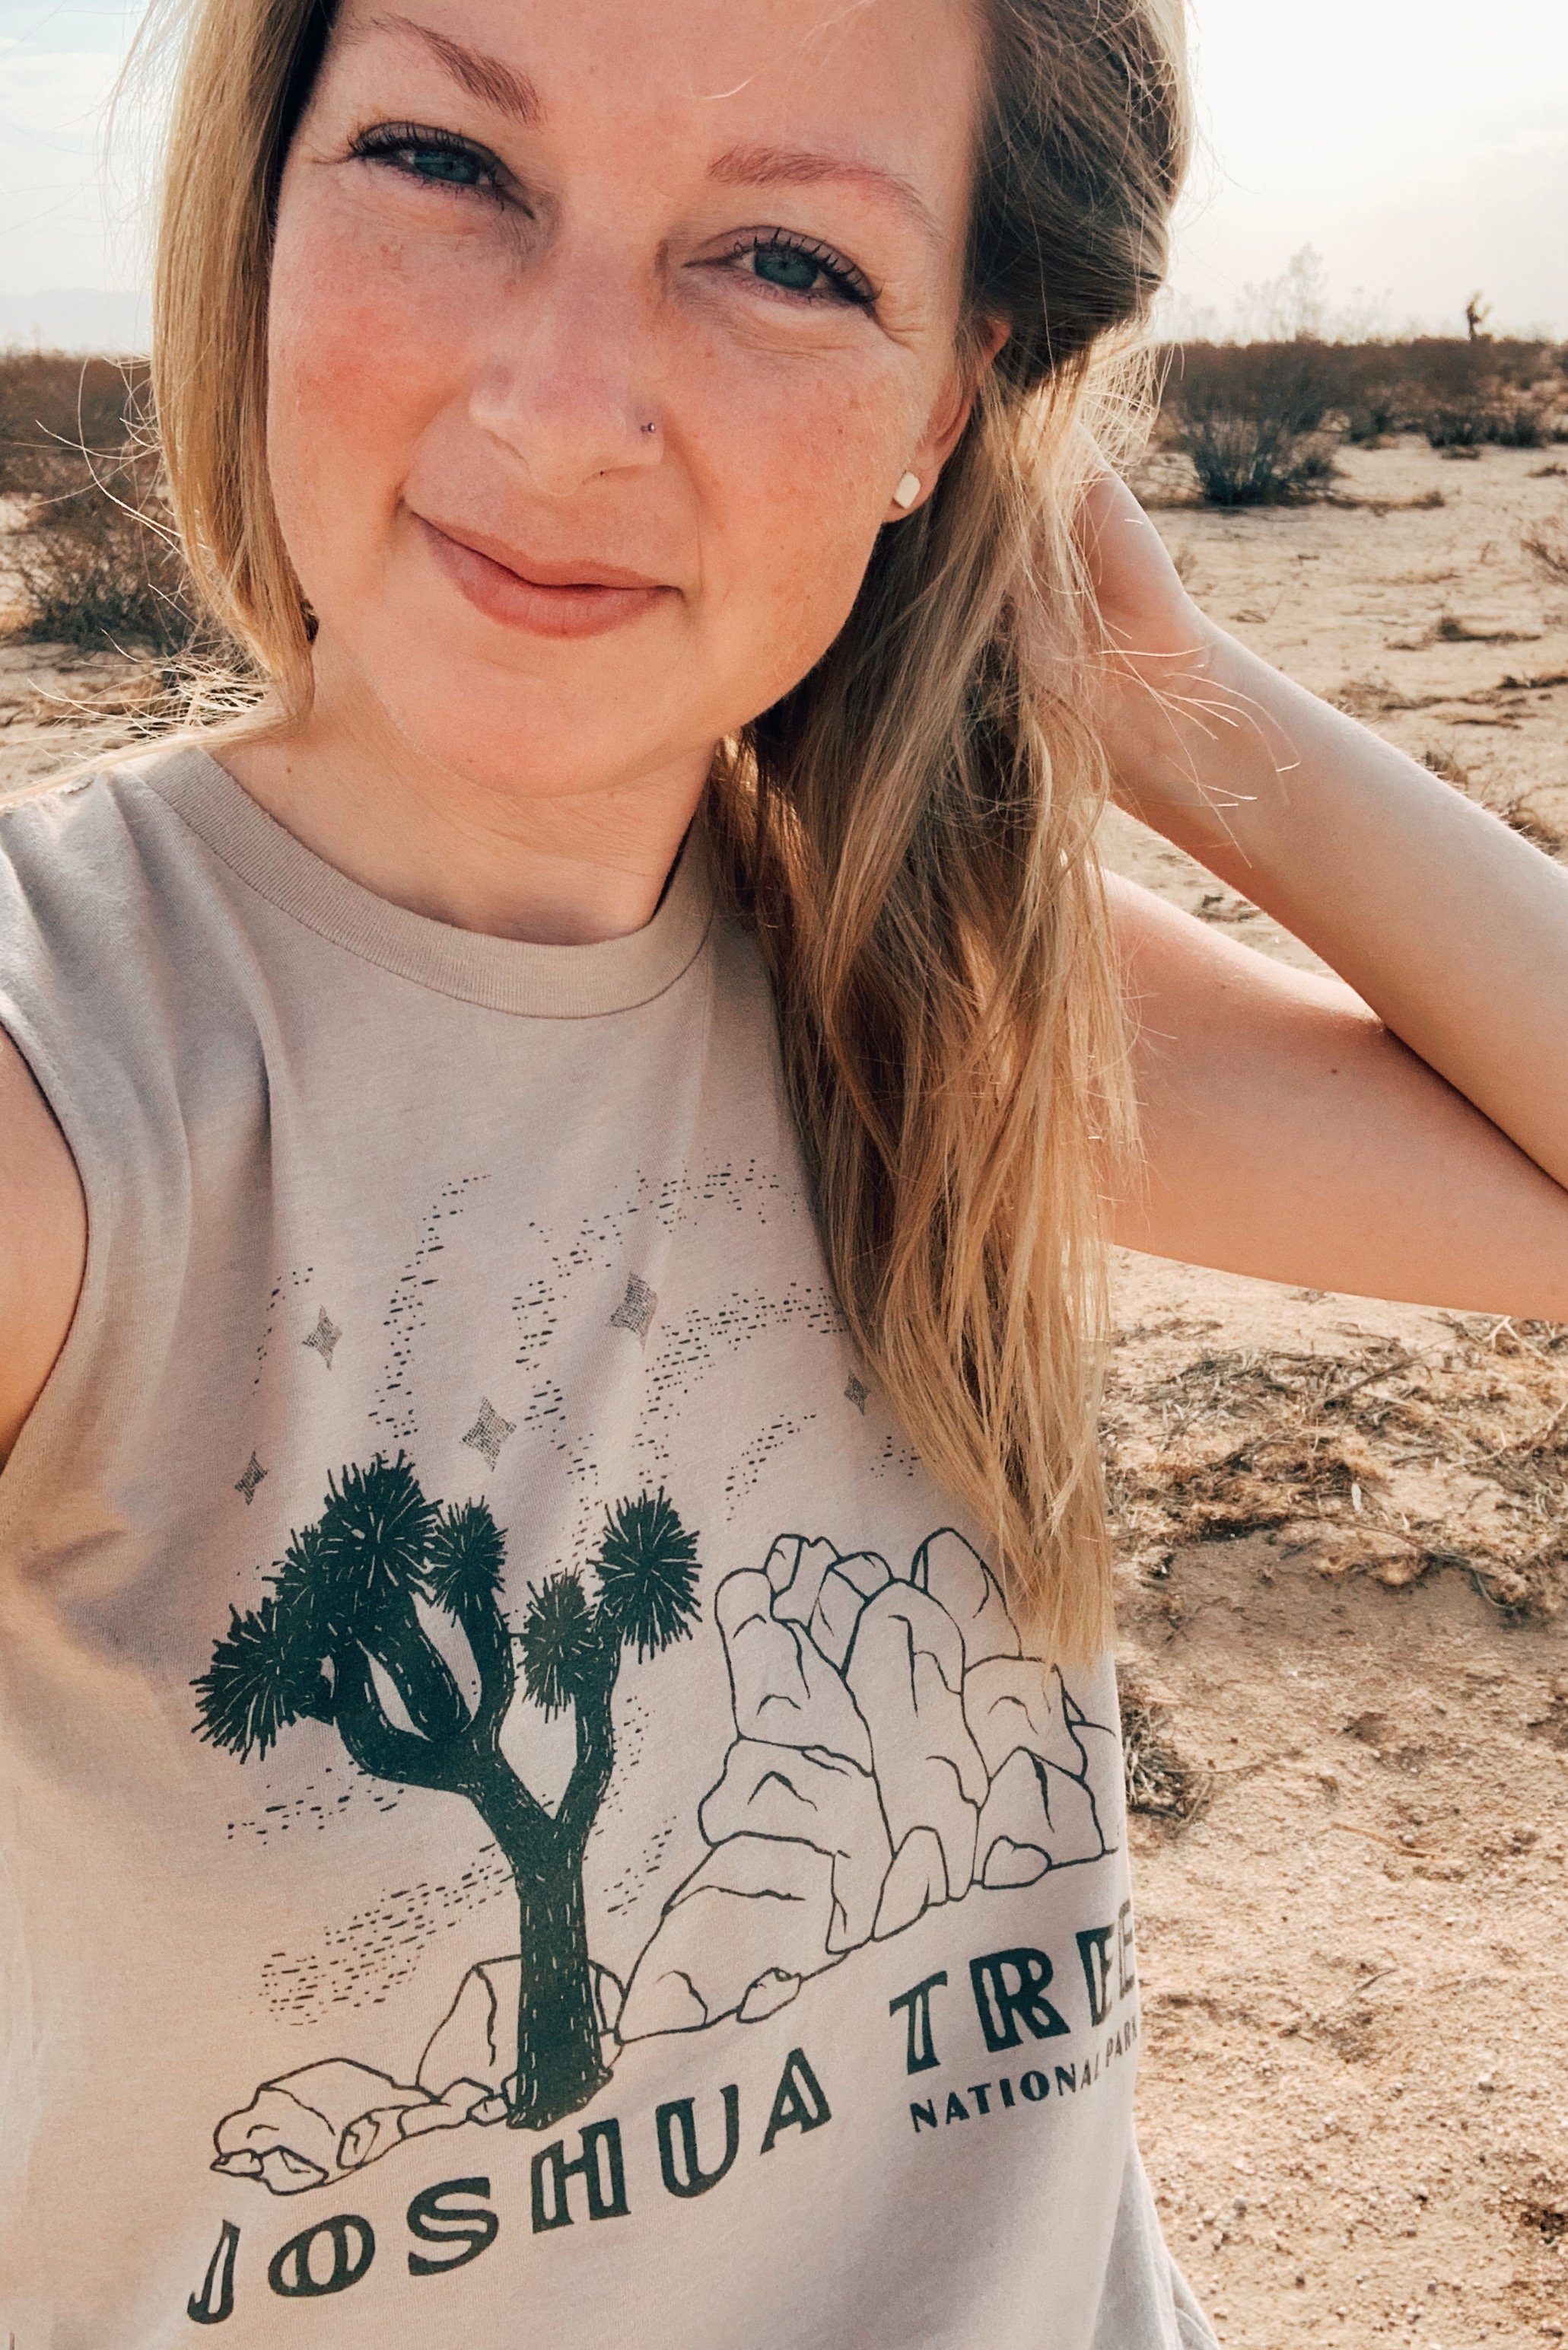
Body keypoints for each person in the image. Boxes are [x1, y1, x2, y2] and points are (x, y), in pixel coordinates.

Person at [2, 0, 1565, 2341]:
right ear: (260, 201)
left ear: (952, 401)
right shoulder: (68, 1076)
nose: (557, 404)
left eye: (789, 267)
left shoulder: (924, 991)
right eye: (449, 164)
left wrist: (1163, 694)